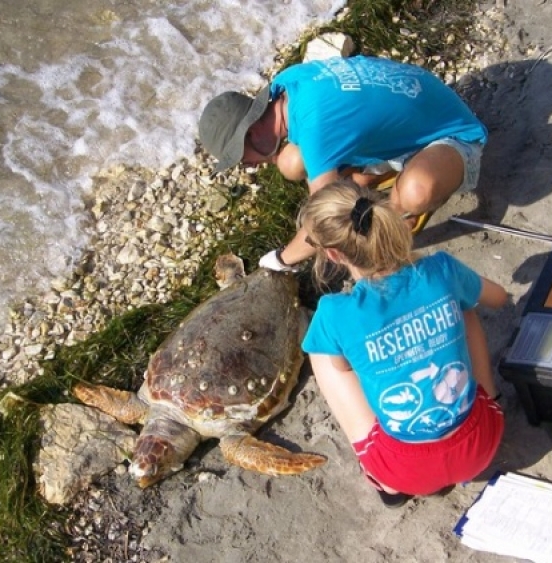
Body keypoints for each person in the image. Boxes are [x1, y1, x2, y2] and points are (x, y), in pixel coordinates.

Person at [297, 180, 507, 506]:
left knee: (322, 353)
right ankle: (492, 396)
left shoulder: (335, 312)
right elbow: (498, 297)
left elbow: (341, 367)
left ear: (334, 254)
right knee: (465, 306)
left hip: (404, 471)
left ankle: (385, 484)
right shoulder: (440, 270)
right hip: (481, 443)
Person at [198, 55, 487, 272]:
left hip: (450, 133)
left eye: (242, 158)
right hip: (405, 118)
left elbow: (325, 221)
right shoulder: (286, 85)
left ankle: (409, 202)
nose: (249, 166)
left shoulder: (316, 129)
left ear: (252, 132)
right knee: (290, 161)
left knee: (412, 194)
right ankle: (383, 174)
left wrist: (281, 259)